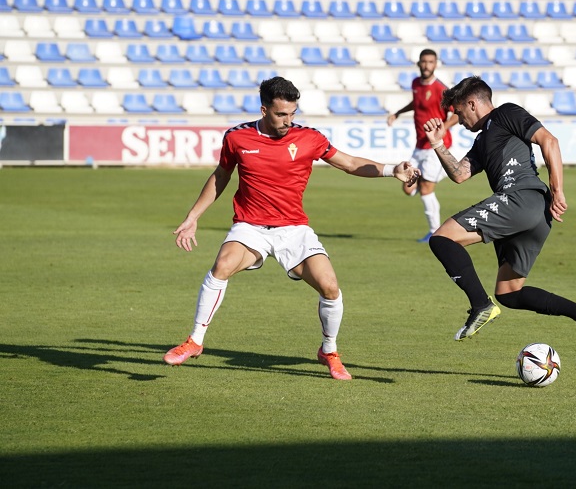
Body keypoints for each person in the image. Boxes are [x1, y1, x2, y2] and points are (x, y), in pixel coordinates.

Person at [163, 76, 419, 379]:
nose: (288, 120)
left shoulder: (309, 138)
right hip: (250, 227)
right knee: (222, 265)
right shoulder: (237, 138)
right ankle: (195, 341)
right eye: (281, 114)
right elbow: (221, 176)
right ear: (264, 110)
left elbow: (349, 163)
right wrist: (193, 217)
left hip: (294, 230)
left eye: (293, 113)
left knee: (330, 286)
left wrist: (391, 171)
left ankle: (329, 350)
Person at [422, 76, 576, 346]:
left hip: (520, 199)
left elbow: (549, 141)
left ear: (472, 104)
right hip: (535, 215)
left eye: (459, 113)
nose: (458, 120)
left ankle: (481, 305)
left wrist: (558, 190)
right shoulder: (483, 141)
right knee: (509, 293)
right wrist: (438, 144)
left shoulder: (506, 113)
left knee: (441, 239)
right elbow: (459, 175)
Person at [387, 48, 459, 243]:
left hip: (436, 147)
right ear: (419, 63)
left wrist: (444, 126)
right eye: (424, 61)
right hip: (419, 146)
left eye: (430, 62)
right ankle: (445, 172)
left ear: (435, 64)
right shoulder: (416, 83)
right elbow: (417, 103)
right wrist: (398, 113)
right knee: (407, 187)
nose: (426, 65)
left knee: (426, 189)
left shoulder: (441, 89)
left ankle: (435, 232)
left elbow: (458, 113)